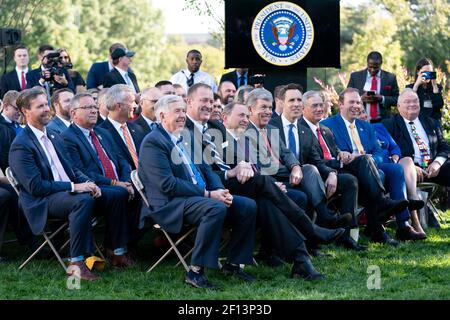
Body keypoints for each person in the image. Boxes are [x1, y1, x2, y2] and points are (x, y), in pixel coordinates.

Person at [184, 84, 340, 278]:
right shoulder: (183, 128)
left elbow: (239, 158)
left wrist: (241, 167)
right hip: (211, 189)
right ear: (188, 102)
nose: (209, 105)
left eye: (210, 100)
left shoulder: (215, 126)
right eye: (204, 101)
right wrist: (231, 173)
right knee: (264, 184)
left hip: (235, 183)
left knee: (266, 202)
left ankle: (300, 261)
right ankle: (310, 231)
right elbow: (201, 170)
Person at [139, 94, 257, 289]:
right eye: (177, 111)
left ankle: (233, 264)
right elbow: (168, 185)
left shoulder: (186, 137)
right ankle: (195, 272)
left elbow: (206, 169)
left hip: (196, 197)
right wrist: (209, 194)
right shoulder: (153, 142)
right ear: (161, 116)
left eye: (183, 111)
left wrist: (220, 189)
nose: (182, 115)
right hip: (169, 204)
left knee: (247, 205)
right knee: (214, 208)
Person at [9, 88, 110, 280]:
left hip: (64, 194)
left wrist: (87, 182)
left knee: (107, 194)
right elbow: (36, 187)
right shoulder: (21, 145)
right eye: (40, 106)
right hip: (42, 201)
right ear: (25, 111)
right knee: (82, 200)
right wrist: (74, 187)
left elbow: (71, 170)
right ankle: (76, 262)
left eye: (46, 104)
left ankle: (112, 251)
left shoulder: (54, 136)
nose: (47, 109)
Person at [270, 85, 360, 249]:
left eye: (299, 99)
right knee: (309, 171)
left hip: (305, 178)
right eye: (292, 100)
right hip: (278, 178)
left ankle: (329, 236)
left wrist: (332, 173)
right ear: (281, 103)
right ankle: (324, 217)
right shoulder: (271, 126)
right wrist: (296, 169)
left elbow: (317, 161)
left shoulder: (305, 131)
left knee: (317, 172)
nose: (297, 104)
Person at [322, 88, 410, 246]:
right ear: (340, 104)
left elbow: (379, 152)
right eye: (351, 102)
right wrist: (347, 156)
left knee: (389, 168)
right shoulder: (328, 125)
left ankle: (394, 224)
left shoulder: (366, 126)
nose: (356, 105)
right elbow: (329, 152)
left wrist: (368, 159)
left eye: (358, 102)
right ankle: (380, 220)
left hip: (369, 167)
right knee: (372, 171)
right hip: (345, 167)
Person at [358, 107, 426, 240]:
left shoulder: (379, 127)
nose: (362, 116)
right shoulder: (357, 131)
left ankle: (410, 203)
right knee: (397, 171)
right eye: (359, 113)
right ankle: (408, 214)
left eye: (364, 113)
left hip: (392, 163)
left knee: (407, 160)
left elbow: (395, 147)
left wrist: (395, 157)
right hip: (377, 167)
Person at [383, 88, 450, 189]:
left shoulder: (431, 122)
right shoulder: (389, 125)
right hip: (408, 171)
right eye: (407, 101)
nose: (412, 104)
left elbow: (444, 147)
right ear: (398, 106)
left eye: (415, 101)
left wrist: (437, 163)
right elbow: (386, 152)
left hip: (435, 170)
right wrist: (409, 167)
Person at [99, 84, 145, 171]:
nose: (135, 106)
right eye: (132, 102)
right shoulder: (100, 134)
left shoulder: (138, 129)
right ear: (119, 106)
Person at [347, 51, 399, 121]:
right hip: (361, 121)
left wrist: (382, 99)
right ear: (367, 63)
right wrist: (361, 98)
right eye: (370, 67)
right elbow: (347, 98)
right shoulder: (355, 77)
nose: (372, 70)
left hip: (383, 122)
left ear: (381, 64)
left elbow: (397, 99)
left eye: (376, 67)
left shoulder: (390, 78)